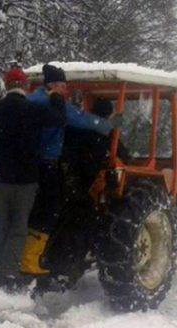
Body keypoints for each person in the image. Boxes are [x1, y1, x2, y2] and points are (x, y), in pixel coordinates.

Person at [0, 66, 66, 284]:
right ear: (27, 86)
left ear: (6, 85)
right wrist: (57, 97)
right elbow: (59, 119)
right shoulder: (32, 110)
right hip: (25, 179)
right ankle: (10, 271)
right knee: (18, 226)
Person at [27, 64, 122, 234]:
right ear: (52, 85)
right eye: (63, 86)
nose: (66, 91)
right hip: (46, 161)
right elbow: (81, 118)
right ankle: (37, 250)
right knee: (49, 206)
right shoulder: (52, 103)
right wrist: (109, 126)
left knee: (31, 204)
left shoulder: (30, 99)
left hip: (27, 161)